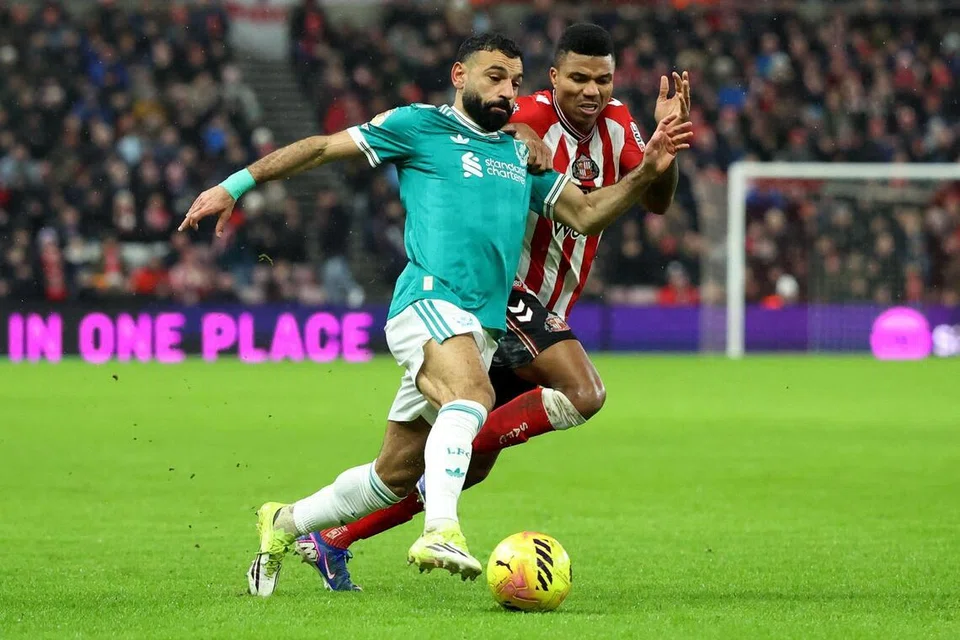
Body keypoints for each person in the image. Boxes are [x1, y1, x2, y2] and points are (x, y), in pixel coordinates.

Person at [179, 32, 691, 597]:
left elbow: (590, 214)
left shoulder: (521, 155)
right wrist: (235, 184)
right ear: (459, 75)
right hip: (427, 299)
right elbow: (323, 148)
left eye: (513, 83)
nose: (505, 91)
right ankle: (441, 530)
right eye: (494, 77)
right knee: (473, 396)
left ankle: (286, 523)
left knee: (391, 477)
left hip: (485, 324)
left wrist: (649, 169)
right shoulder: (419, 126)